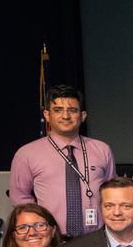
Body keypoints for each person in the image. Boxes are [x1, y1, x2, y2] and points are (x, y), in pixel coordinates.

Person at [10, 85, 116, 238]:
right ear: (47, 115)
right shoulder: (27, 154)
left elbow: (112, 193)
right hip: (50, 240)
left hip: (96, 238)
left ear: (83, 115)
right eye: (58, 110)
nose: (65, 116)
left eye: (72, 110)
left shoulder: (102, 150)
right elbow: (21, 200)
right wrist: (40, 229)